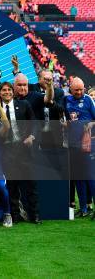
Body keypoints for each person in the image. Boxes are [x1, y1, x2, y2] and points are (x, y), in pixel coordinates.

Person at [0, 81, 39, 224]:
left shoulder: (24, 104)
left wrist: (32, 136)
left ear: (13, 92)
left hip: (24, 149)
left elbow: (34, 123)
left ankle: (35, 215)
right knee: (12, 185)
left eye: (9, 89)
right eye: (4, 90)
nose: (7, 92)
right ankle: (15, 216)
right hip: (6, 151)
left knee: (31, 184)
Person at [63, 77, 95, 219]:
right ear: (71, 88)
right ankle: (83, 209)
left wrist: (91, 124)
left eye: (81, 89)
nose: (80, 92)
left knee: (90, 176)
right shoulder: (66, 100)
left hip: (88, 145)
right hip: (73, 145)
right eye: (77, 90)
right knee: (78, 178)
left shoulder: (88, 99)